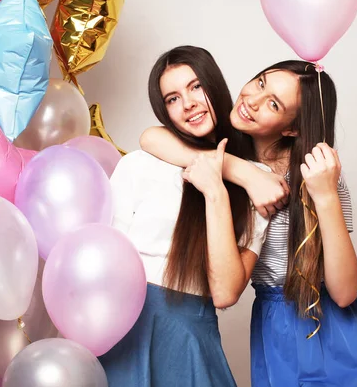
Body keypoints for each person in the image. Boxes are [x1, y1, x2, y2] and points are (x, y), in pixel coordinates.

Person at [140, 60, 357, 386]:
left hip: (331, 325)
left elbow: (345, 292)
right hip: (273, 318)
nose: (252, 99)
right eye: (261, 82)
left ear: (291, 128)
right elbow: (151, 138)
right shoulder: (223, 148)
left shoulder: (316, 174)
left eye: (273, 103)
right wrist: (245, 173)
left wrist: (324, 196)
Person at [99, 46, 271, 387]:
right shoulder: (140, 163)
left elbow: (225, 292)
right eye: (173, 99)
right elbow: (106, 256)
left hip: (192, 332)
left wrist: (215, 189)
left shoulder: (257, 180)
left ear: (214, 84)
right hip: (124, 325)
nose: (188, 103)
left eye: (195, 87)